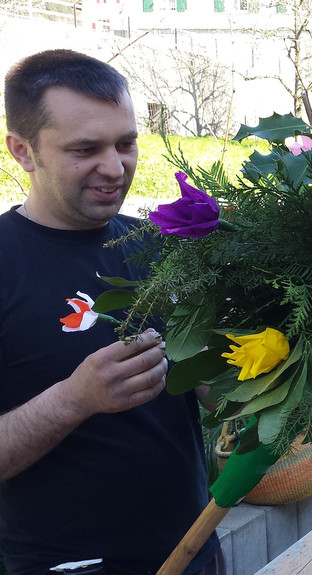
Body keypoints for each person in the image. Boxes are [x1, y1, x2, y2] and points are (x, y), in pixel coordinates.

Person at [0, 50, 222, 574]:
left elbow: (211, 387)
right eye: (85, 149)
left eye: (125, 143)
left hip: (193, 547)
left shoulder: (160, 247)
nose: (115, 167)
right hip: (72, 566)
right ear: (23, 150)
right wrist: (74, 400)